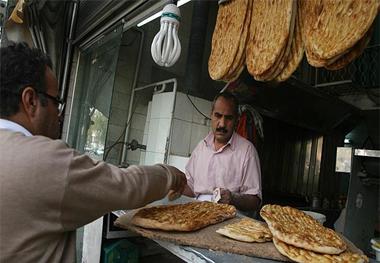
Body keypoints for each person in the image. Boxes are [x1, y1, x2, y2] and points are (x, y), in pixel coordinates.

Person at [0, 42, 186, 262]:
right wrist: (169, 174)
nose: (58, 115)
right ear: (30, 101)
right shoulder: (41, 160)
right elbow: (126, 185)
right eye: (56, 102)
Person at [184, 91, 262, 213]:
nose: (222, 124)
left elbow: (255, 201)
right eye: (218, 116)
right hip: (197, 214)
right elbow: (191, 187)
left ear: (237, 120)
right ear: (211, 115)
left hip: (230, 221)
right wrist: (174, 185)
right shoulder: (201, 147)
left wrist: (233, 198)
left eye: (229, 118)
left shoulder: (247, 151)